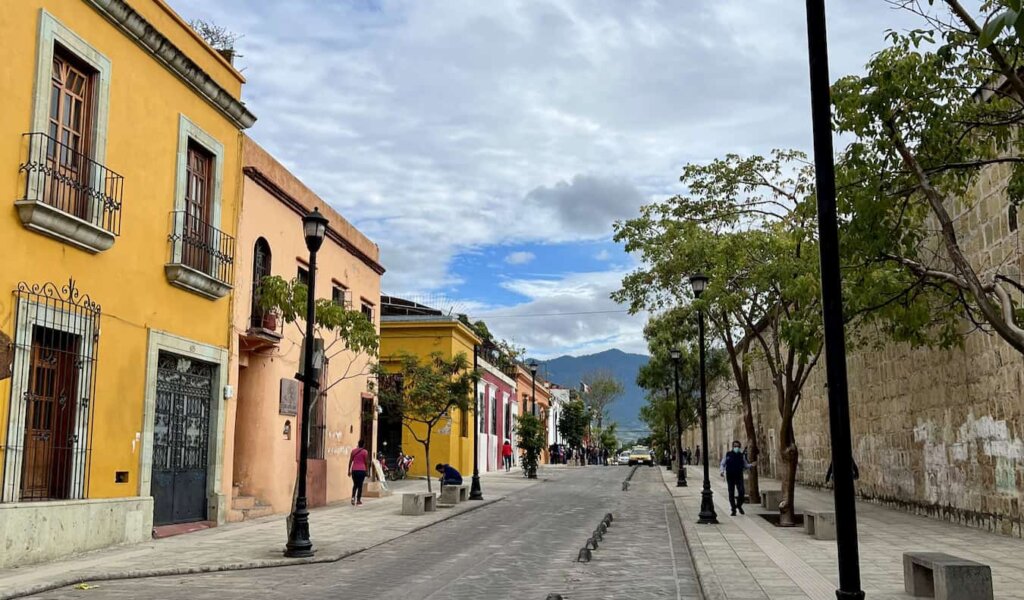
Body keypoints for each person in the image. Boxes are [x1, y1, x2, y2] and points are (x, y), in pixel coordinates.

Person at [720, 439, 756, 516]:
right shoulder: (728, 454)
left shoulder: (741, 455)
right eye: (735, 446)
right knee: (731, 493)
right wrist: (722, 472)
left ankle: (739, 505)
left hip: (739, 476)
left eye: (738, 446)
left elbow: (745, 465)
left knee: (741, 492)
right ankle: (733, 509)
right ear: (732, 447)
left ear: (739, 447)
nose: (736, 447)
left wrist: (751, 465)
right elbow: (723, 464)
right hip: (730, 476)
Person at [348, 439, 369, 506]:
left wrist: (349, 470)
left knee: (355, 484)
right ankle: (358, 500)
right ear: (363, 445)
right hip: (362, 470)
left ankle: (353, 498)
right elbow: (366, 462)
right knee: (360, 485)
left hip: (354, 470)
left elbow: (350, 461)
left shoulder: (353, 451)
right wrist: (367, 471)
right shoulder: (365, 452)